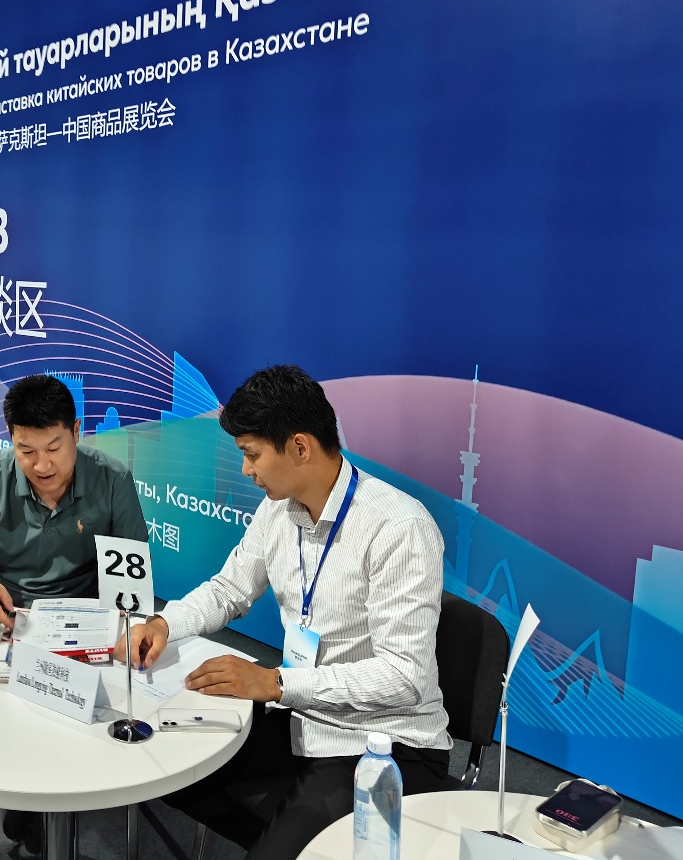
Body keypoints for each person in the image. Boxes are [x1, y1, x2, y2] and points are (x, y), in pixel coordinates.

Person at [121, 365, 452, 860]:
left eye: (252, 454)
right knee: (167, 768)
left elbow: (405, 677)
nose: (246, 470)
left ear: (300, 447)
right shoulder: (279, 509)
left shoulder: (399, 528)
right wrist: (165, 623)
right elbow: (230, 589)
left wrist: (275, 683)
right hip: (301, 716)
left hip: (383, 745)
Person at [0, 373, 148, 622]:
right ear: (11, 436)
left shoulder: (112, 479)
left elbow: (131, 585)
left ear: (76, 431)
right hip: (9, 612)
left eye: (53, 449)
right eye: (26, 451)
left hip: (87, 614)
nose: (42, 466)